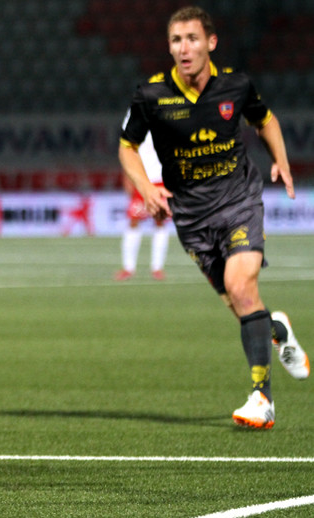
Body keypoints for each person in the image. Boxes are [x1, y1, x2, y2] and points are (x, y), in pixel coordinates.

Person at [118, 6, 309, 430]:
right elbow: (126, 146)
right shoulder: (150, 95)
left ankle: (262, 398)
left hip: (238, 200)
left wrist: (281, 160)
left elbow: (266, 120)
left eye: (191, 39)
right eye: (175, 41)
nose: (183, 49)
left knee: (241, 286)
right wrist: (146, 187)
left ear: (211, 42)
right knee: (239, 303)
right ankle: (275, 327)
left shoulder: (236, 85)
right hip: (190, 215)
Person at [115, 126, 171, 281]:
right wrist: (127, 176)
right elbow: (126, 153)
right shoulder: (134, 125)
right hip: (141, 180)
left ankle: (157, 268)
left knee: (160, 221)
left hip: (160, 181)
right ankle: (128, 268)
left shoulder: (165, 124)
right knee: (133, 221)